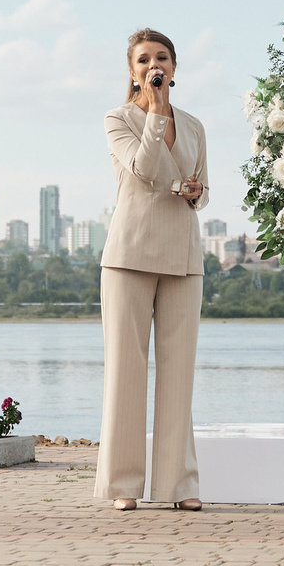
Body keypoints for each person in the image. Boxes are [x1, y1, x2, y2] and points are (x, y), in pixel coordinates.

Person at [98, 28, 208, 511]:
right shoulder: (117, 118)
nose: (153, 66)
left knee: (179, 373)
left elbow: (202, 187)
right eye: (143, 60)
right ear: (132, 71)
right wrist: (157, 112)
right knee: (126, 370)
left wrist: (197, 192)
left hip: (184, 257)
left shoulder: (195, 125)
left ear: (174, 68)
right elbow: (143, 169)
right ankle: (123, 485)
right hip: (129, 256)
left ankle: (179, 485)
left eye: (161, 58)